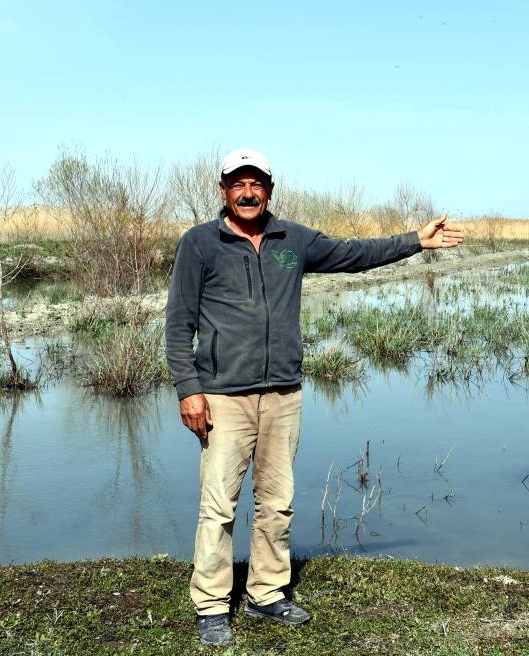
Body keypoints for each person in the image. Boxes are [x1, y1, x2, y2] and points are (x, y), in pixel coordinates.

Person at [164, 148, 465, 646]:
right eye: (238, 184)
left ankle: (266, 592)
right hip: (222, 396)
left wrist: (416, 240)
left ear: (269, 190)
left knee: (277, 501)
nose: (247, 193)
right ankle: (212, 604)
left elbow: (355, 255)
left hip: (283, 393)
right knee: (218, 505)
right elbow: (179, 324)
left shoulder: (294, 240)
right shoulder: (199, 243)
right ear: (223, 190)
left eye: (256, 184)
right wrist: (188, 390)